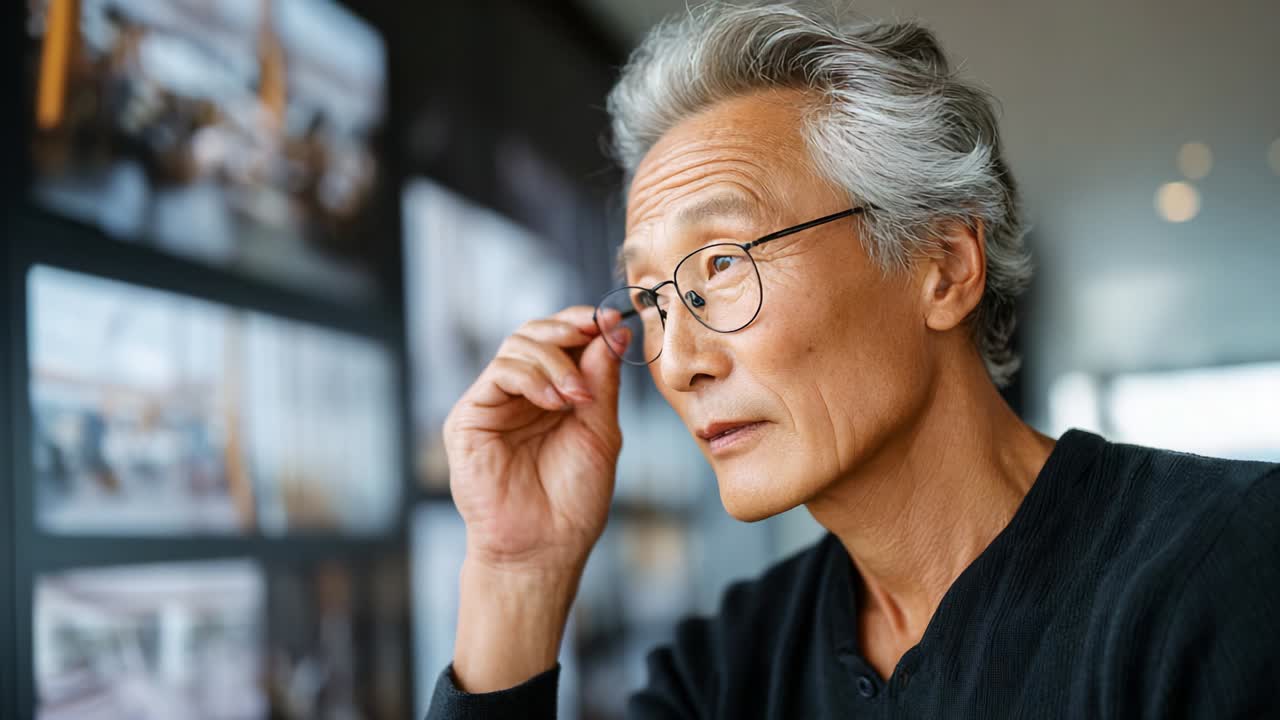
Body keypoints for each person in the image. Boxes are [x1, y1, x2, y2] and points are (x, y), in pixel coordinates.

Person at [425, 4, 1280, 718]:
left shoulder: (1222, 573)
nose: (677, 360)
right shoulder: (729, 670)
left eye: (722, 264)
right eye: (649, 298)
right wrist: (517, 571)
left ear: (942, 265)